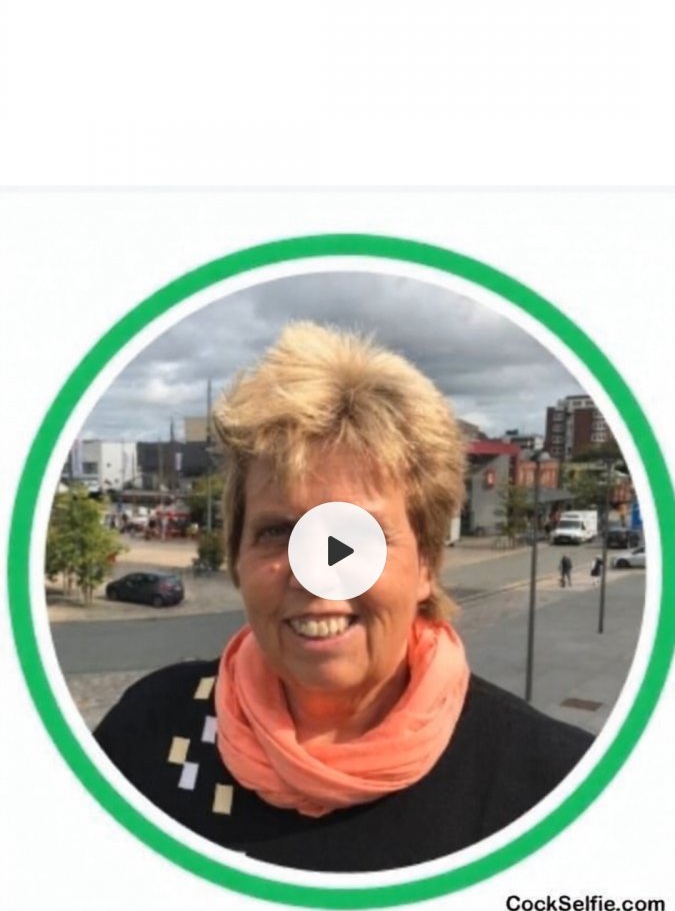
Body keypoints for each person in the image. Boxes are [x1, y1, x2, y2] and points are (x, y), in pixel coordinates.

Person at [94, 321, 592, 872]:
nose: (317, 575)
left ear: (427, 563)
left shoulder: (552, 789)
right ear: (236, 556)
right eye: (278, 532)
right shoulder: (147, 731)